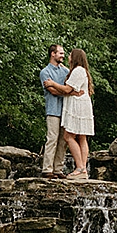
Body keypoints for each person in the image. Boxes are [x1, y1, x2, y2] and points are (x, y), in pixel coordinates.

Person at [59, 48, 94, 179]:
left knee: (68, 136)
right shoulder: (80, 71)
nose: (68, 57)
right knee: (82, 137)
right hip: (83, 105)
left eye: (70, 55)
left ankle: (80, 168)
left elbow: (68, 88)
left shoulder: (78, 70)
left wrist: (52, 84)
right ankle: (83, 169)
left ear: (75, 57)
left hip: (78, 106)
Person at [38, 44, 70, 178]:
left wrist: (66, 91)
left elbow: (71, 88)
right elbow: (52, 91)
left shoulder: (65, 71)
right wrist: (66, 91)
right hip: (52, 110)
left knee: (64, 141)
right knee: (52, 138)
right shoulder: (45, 72)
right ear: (52, 54)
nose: (63, 56)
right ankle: (47, 169)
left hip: (66, 110)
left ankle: (58, 169)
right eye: (60, 53)